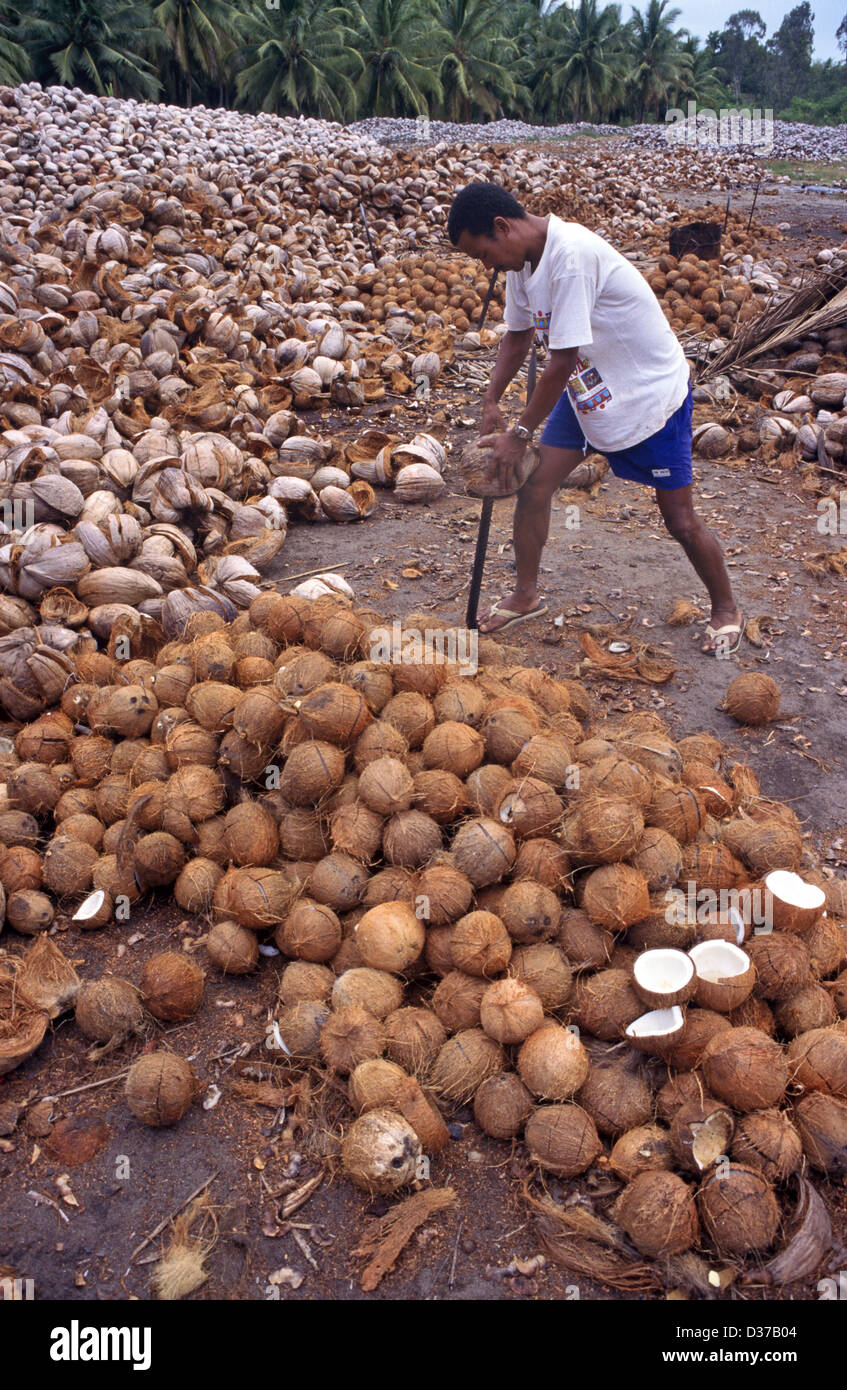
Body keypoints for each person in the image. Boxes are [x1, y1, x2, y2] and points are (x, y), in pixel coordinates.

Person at [446, 182, 743, 654]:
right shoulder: (521, 264)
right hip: (588, 388)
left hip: (648, 396)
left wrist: (519, 434)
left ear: (502, 227)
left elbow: (559, 362)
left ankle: (726, 607)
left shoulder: (571, 257)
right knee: (534, 487)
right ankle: (525, 596)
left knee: (679, 519)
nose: (486, 266)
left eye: (482, 253)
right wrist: (490, 401)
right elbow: (518, 340)